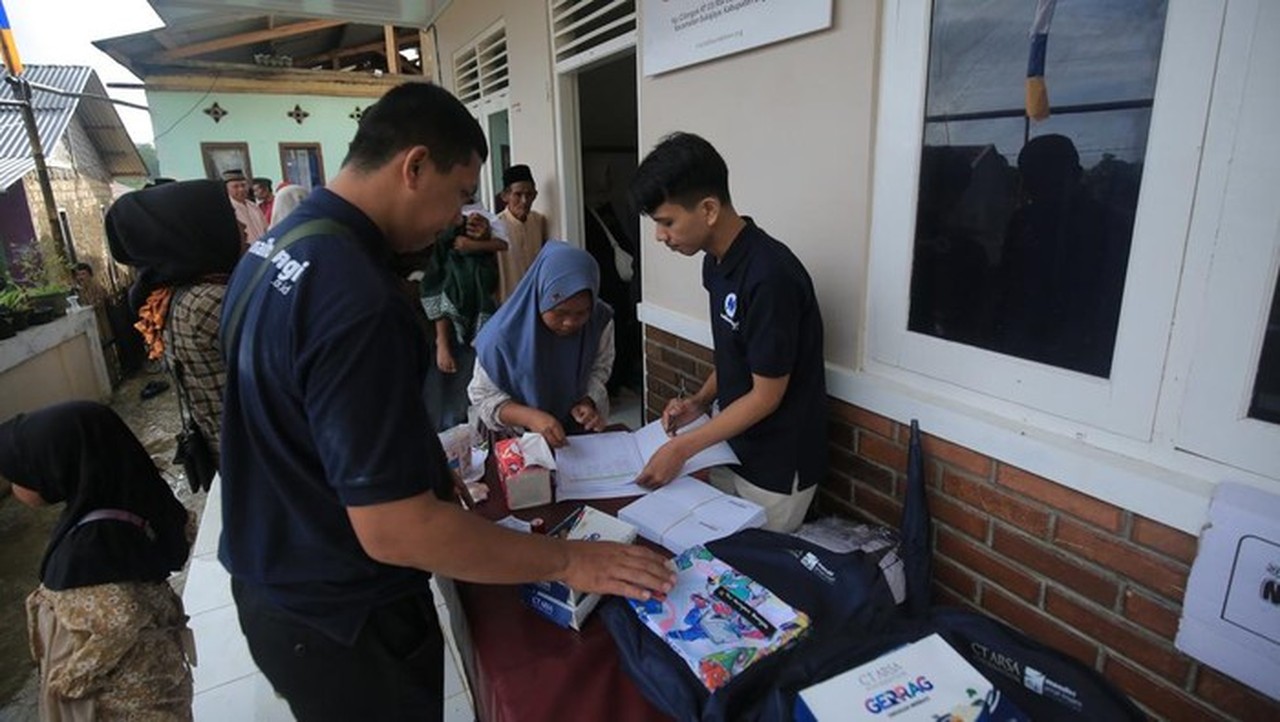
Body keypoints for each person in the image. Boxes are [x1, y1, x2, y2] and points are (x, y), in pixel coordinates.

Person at [218, 82, 673, 722]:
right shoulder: (355, 294)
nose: (459, 220)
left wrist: (421, 471)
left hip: (279, 580)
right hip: (343, 615)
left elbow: (301, 422)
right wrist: (570, 559)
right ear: (414, 166)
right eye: (461, 195)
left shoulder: (277, 249)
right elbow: (395, 528)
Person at [630, 132, 827, 534]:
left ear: (708, 209)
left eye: (667, 222)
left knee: (751, 577)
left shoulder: (769, 276)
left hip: (775, 465)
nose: (660, 236)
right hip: (732, 447)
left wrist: (681, 448)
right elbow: (736, 351)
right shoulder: (716, 263)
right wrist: (701, 402)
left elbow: (766, 395)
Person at [0, 401, 195, 721]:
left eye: (20, 474)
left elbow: (119, 621)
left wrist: (66, 682)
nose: (15, 486)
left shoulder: (88, 552)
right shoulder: (132, 497)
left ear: (56, 469)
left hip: (128, 702)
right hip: (164, 676)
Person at [107, 179, 244, 469]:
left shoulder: (172, 294)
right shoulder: (211, 302)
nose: (243, 227)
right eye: (230, 218)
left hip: (229, 451)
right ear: (200, 233)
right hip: (254, 455)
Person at [468, 241, 615, 447]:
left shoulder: (599, 320)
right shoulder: (501, 337)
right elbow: (483, 396)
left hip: (572, 434)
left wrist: (588, 401)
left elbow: (599, 368)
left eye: (582, 313)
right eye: (559, 312)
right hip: (516, 438)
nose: (570, 323)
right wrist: (530, 418)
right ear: (540, 296)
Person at [422, 204, 507, 430]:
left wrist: (478, 245)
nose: (474, 229)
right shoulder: (448, 261)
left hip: (475, 336)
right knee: (443, 410)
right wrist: (442, 344)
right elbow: (439, 294)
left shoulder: (482, 261)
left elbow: (502, 246)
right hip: (449, 339)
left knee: (468, 405)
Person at [495, 164, 549, 301]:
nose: (524, 201)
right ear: (505, 196)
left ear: (535, 195)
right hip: (507, 302)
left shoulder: (539, 221)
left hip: (535, 299)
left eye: (529, 195)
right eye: (518, 195)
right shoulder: (494, 226)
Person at [222, 169, 268, 243]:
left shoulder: (254, 207)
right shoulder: (227, 210)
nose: (241, 189)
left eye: (243, 185)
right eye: (235, 187)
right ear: (227, 189)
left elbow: (266, 229)